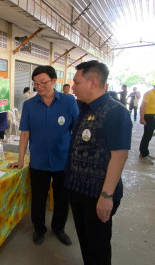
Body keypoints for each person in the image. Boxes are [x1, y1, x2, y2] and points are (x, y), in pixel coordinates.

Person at [64, 60, 132, 265]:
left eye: (76, 82)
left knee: (98, 246)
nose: (73, 87)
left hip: (97, 194)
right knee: (85, 242)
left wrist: (106, 196)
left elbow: (119, 157)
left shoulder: (115, 112)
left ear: (93, 82)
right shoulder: (84, 108)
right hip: (77, 190)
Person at [7, 65, 79, 246]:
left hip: (63, 160)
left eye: (44, 82)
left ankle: (59, 228)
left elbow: (76, 132)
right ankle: (39, 229)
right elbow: (24, 134)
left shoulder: (69, 102)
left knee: (62, 198)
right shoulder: (30, 105)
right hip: (38, 161)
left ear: (54, 81)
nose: (39, 86)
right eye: (36, 83)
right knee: (38, 198)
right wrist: (21, 159)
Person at [139, 85, 155, 164]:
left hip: (153, 116)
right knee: (147, 135)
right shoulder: (149, 93)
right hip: (148, 116)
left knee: (149, 135)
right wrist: (141, 117)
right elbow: (142, 106)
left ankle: (145, 153)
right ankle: (144, 155)